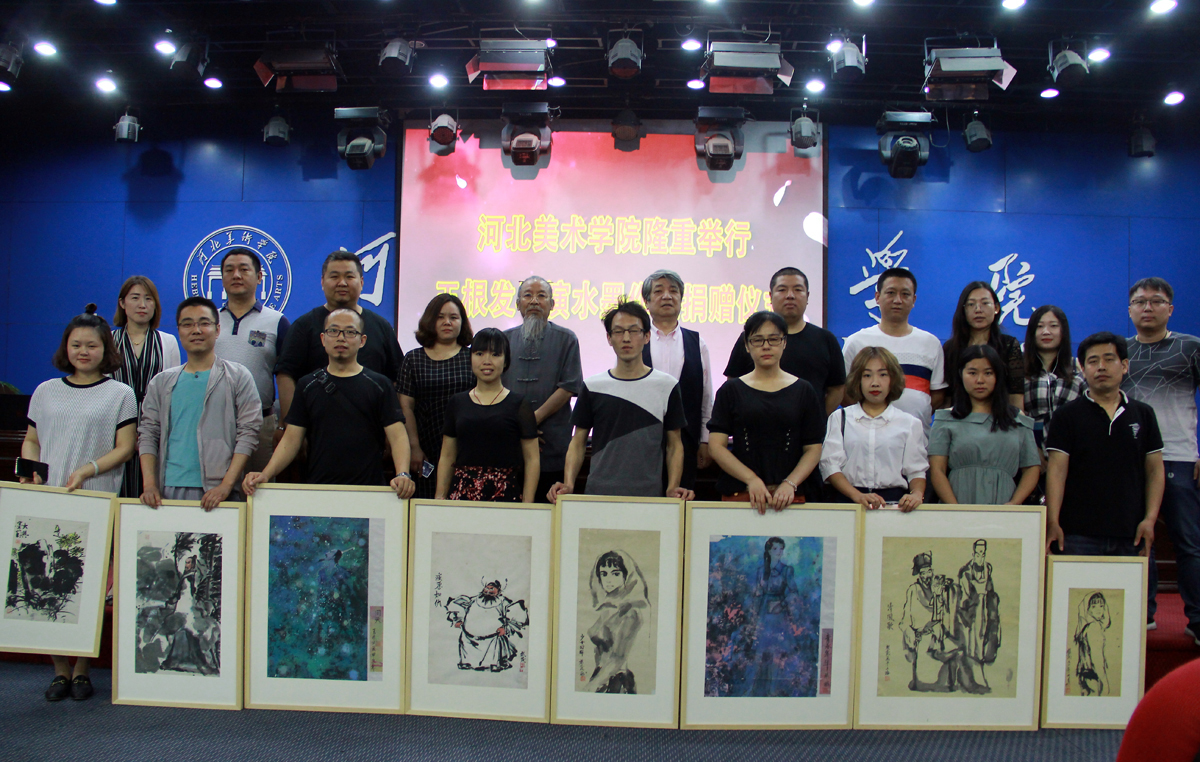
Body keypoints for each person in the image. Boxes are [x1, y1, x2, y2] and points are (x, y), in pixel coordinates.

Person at [20, 305, 138, 702]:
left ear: (106, 349)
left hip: (95, 500)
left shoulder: (120, 394)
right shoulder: (45, 391)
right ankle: (59, 670)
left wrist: (88, 469)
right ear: (65, 348)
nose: (83, 352)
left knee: (86, 587)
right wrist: (31, 470)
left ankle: (83, 670)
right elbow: (32, 439)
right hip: (50, 499)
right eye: (76, 345)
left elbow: (125, 448)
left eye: (92, 345)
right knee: (48, 585)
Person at [1045, 332, 1165, 623]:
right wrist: (1053, 521)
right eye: (1093, 361)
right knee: (1075, 618)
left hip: (1131, 532)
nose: (1101, 367)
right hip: (1078, 534)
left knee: (1133, 620)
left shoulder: (1143, 414)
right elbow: (1057, 471)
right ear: (1082, 368)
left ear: (1124, 365)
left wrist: (1150, 519)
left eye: (1109, 359)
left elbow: (1154, 471)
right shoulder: (1067, 416)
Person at [243, 308, 415, 498]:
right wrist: (266, 474)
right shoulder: (307, 385)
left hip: (369, 490)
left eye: (350, 332)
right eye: (334, 331)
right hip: (319, 490)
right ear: (323, 339)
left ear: (362, 340)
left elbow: (398, 435)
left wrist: (403, 474)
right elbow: (291, 439)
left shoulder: (380, 385)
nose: (341, 338)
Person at [548, 300, 691, 501]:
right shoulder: (592, 386)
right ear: (609, 338)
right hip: (599, 493)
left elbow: (674, 445)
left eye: (633, 331)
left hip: (648, 496)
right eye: (618, 331)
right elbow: (578, 442)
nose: (626, 338)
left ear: (647, 336)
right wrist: (569, 483)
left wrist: (672, 487)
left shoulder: (667, 386)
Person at [1122, 277, 1200, 643]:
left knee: (1189, 543)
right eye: (1140, 302)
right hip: (1133, 461)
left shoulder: (1190, 348)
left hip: (1180, 457)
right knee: (1140, 541)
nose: (1147, 307)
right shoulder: (1120, 352)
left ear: (1170, 308)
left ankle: (1197, 619)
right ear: (1130, 310)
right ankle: (1144, 614)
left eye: (1156, 301)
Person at [139, 297, 263, 510]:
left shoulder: (238, 376)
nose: (196, 330)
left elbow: (248, 433)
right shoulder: (161, 382)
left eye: (204, 323)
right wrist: (150, 485)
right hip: (168, 489)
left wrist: (226, 485)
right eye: (187, 324)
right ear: (179, 331)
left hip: (219, 493)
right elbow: (148, 433)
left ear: (217, 330)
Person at [707, 311, 825, 514]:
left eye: (773, 339)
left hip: (791, 496)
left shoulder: (804, 390)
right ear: (747, 345)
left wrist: (790, 483)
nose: (766, 346)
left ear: (784, 342)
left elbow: (813, 448)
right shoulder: (730, 390)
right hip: (741, 492)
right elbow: (716, 446)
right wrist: (751, 479)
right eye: (758, 340)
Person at [275, 250, 402, 420]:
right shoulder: (303, 326)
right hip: (316, 425)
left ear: (361, 282)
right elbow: (286, 375)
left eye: (349, 277)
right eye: (334, 277)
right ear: (322, 281)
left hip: (373, 425)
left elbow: (396, 378)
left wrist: (394, 422)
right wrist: (290, 423)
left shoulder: (381, 326)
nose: (342, 283)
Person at [502, 276, 583, 503]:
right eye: (527, 295)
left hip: (552, 444)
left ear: (552, 304)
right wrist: (517, 427)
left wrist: (530, 421)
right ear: (518, 304)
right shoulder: (504, 340)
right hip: (511, 441)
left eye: (541, 296)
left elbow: (568, 387)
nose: (534, 301)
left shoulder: (567, 339)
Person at [436, 328, 540, 503]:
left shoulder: (519, 404)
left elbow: (532, 459)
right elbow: (447, 456)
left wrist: (527, 505)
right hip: (462, 495)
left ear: (506, 361)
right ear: (471, 358)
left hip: (505, 496)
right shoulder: (457, 402)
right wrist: (440, 497)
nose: (487, 361)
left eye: (495, 354)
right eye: (479, 354)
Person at [724, 267, 846, 415]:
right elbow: (733, 383)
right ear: (770, 296)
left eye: (797, 290)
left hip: (809, 428)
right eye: (782, 290)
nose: (790, 296)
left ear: (807, 296)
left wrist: (816, 419)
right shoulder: (752, 339)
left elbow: (837, 388)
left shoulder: (825, 339)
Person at [928, 345, 1040, 505]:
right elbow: (937, 470)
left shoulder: (1016, 418)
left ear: (998, 376)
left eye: (988, 373)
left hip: (1005, 507)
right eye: (972, 373)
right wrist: (955, 509)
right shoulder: (946, 419)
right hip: (957, 505)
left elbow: (1031, 468)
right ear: (961, 374)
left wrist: (1013, 505)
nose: (980, 380)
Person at [842, 268, 947, 437]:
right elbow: (844, 392)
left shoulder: (931, 343)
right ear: (877, 297)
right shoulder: (856, 342)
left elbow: (938, 395)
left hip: (917, 438)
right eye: (891, 293)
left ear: (914, 300)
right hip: (866, 437)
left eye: (905, 294)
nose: (898, 300)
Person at [820, 346, 927, 512]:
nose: (875, 383)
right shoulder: (840, 418)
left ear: (893, 379)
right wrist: (857, 496)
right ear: (857, 380)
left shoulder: (909, 423)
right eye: (867, 375)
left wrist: (916, 494)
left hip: (894, 504)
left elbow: (916, 470)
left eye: (883, 375)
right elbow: (830, 466)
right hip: (848, 501)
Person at [213, 248, 290, 475]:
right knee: (215, 488)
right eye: (229, 270)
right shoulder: (209, 320)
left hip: (261, 425)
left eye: (244, 269)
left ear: (259, 277)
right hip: (213, 424)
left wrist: (283, 425)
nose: (236, 275)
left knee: (258, 489)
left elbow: (286, 377)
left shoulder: (276, 321)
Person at [640, 269, 713, 491]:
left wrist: (705, 440)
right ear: (647, 302)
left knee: (679, 500)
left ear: (681, 299)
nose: (667, 296)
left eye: (673, 291)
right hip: (642, 441)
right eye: (658, 291)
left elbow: (706, 396)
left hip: (686, 440)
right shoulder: (635, 340)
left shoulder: (697, 343)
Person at [111, 275, 181, 498]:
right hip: (116, 432)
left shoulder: (167, 341)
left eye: (148, 299)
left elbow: (173, 392)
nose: (142, 304)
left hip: (156, 430)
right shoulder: (109, 341)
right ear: (122, 303)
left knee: (151, 493)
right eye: (135, 298)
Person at [399, 294, 475, 498]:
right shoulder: (413, 359)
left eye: (453, 317)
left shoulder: (473, 357)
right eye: (440, 317)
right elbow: (405, 406)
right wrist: (414, 446)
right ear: (429, 320)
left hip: (465, 448)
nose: (447, 322)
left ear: (462, 322)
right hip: (425, 448)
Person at [941, 281, 1025, 411]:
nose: (978, 309)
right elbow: (947, 397)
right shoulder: (950, 348)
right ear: (963, 310)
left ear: (996, 308)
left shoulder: (1008, 345)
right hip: (959, 418)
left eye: (985, 303)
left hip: (999, 418)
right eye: (971, 304)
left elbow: (1015, 395)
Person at [738, 537, 804, 697]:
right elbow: (757, 593)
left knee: (776, 652)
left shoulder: (787, 570)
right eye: (775, 549)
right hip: (763, 613)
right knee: (760, 652)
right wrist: (753, 613)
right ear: (768, 551)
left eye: (781, 549)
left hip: (778, 615)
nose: (779, 552)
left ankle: (773, 690)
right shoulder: (761, 571)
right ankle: (753, 688)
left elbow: (793, 592)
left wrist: (783, 604)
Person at [583, 550, 650, 694]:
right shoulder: (606, 608)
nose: (609, 579)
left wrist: (593, 685)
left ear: (626, 576)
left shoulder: (630, 612)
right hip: (600, 676)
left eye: (615, 574)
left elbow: (618, 658)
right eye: (604, 574)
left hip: (617, 680)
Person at [1023, 305, 1086, 450]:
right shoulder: (1020, 371)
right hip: (1030, 447)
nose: (1046, 332)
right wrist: (1034, 450)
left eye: (1053, 326)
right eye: (1039, 326)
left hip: (1073, 446)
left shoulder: (1078, 368)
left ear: (1063, 331)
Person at [445, 580, 529, 673]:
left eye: (492, 589)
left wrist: (505, 628)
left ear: (498, 590)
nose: (488, 591)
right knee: (465, 642)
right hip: (469, 636)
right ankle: (466, 662)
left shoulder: (503, 602)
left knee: (494, 649)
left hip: (493, 637)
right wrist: (458, 620)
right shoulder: (474, 600)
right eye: (487, 588)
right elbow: (459, 608)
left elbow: (516, 615)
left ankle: (494, 664)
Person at [1074, 591, 1112, 696]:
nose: (1098, 609)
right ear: (1087, 609)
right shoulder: (1094, 627)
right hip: (1094, 676)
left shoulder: (1086, 627)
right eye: (1094, 606)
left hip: (1085, 675)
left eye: (1101, 606)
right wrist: (1104, 681)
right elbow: (1096, 657)